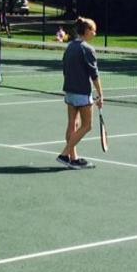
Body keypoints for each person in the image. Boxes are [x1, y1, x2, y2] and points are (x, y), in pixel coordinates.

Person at [58, 16, 103, 170]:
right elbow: (94, 75)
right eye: (94, 30)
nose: (95, 34)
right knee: (87, 125)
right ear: (87, 30)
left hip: (69, 91)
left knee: (73, 124)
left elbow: (65, 68)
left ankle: (73, 158)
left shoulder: (70, 46)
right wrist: (101, 95)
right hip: (82, 93)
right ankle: (64, 154)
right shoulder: (87, 49)